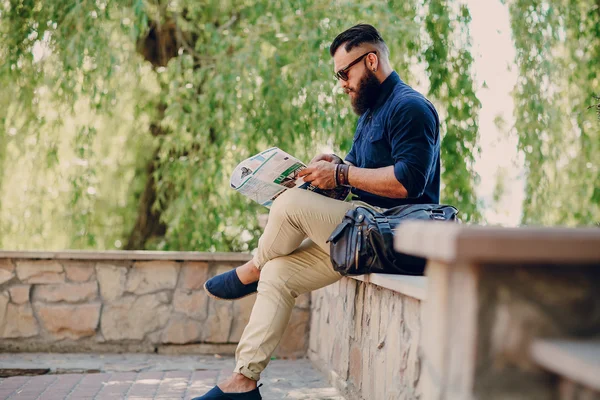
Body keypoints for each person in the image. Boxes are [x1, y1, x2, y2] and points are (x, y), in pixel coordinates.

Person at [195, 23, 440, 400]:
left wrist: (341, 172)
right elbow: (361, 178)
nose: (342, 83)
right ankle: (243, 383)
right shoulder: (371, 113)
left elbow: (408, 183)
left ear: (371, 60)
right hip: (361, 237)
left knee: (289, 206)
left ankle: (252, 267)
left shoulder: (410, 108)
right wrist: (332, 171)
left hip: (394, 237)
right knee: (279, 272)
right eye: (338, 75)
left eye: (346, 73)